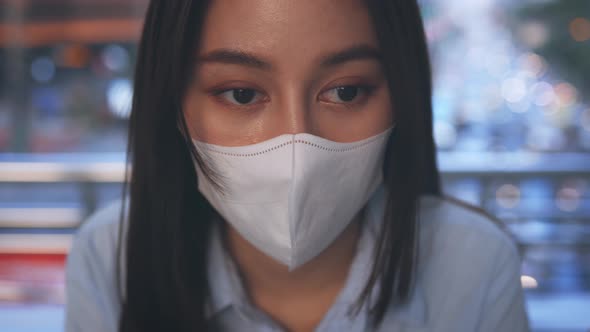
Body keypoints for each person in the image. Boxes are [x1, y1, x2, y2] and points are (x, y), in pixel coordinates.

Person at [64, 0, 530, 331]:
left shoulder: (474, 265)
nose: (295, 140)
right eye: (242, 93)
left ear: (400, 96)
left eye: (346, 91)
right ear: (172, 105)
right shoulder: (111, 260)